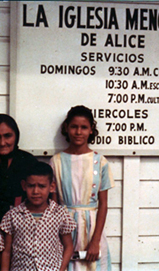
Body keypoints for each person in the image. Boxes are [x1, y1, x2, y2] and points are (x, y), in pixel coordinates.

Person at [50, 105, 115, 271]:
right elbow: (54, 204)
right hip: (65, 228)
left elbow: (103, 205)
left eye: (84, 127)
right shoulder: (56, 161)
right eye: (74, 127)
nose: (78, 132)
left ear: (91, 129)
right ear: (66, 128)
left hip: (92, 229)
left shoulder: (100, 162)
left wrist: (95, 241)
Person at [0, 161, 76, 271]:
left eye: (42, 186)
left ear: (51, 187)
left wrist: (61, 269)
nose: (36, 191)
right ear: (24, 186)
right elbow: (7, 252)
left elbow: (68, 246)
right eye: (31, 186)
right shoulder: (12, 215)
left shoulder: (60, 213)